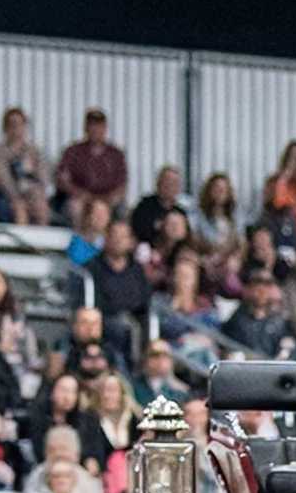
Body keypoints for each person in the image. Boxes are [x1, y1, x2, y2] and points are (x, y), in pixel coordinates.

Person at [82, 219, 149, 367]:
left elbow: (143, 299)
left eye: (122, 237)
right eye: (114, 236)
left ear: (131, 241)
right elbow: (94, 302)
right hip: (106, 319)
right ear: (106, 238)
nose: (118, 241)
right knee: (120, 330)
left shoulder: (136, 270)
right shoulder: (92, 268)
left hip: (134, 317)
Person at [55, 109, 128, 222]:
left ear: (105, 128)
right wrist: (80, 194)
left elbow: (121, 186)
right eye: (92, 125)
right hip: (80, 198)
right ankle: (80, 238)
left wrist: (104, 200)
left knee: (121, 211)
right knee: (73, 207)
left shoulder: (116, 155)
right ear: (86, 128)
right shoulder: (72, 152)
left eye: (99, 126)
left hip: (107, 200)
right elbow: (63, 181)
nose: (96, 129)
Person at [0, 106, 52, 226]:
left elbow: (44, 178)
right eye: (13, 125)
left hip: (32, 193)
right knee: (19, 208)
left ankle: (41, 242)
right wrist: (18, 196)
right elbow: (3, 179)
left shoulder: (34, 151)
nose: (17, 129)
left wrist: (34, 192)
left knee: (41, 207)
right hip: (10, 196)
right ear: (5, 128)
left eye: (20, 124)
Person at [223, 271, 289, 359]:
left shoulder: (279, 321)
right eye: (257, 288)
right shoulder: (237, 319)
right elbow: (227, 346)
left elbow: (286, 345)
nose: (261, 293)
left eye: (265, 288)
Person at [128, 165, 194, 247]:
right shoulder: (145, 205)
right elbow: (140, 233)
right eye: (166, 181)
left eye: (174, 183)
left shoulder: (181, 212)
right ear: (158, 183)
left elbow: (186, 238)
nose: (169, 186)